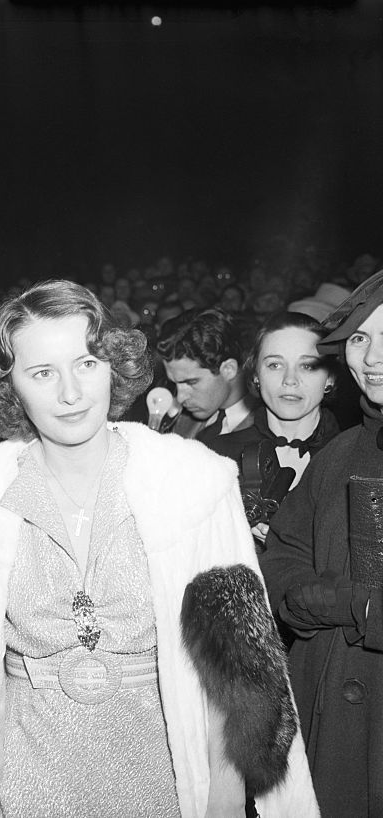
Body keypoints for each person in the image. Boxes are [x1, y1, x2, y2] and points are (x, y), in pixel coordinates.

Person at [0, 280, 317, 817]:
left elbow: (240, 677)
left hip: (163, 782)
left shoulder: (190, 484)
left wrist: (225, 800)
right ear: (13, 389)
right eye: (43, 373)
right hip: (24, 785)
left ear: (114, 366)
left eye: (86, 364)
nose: (70, 393)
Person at [261, 268, 383, 817]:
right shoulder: (341, 453)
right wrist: (326, 602)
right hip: (329, 722)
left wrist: (363, 609)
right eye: (359, 338)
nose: (373, 358)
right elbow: (283, 556)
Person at [207, 312, 340, 547]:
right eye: (275, 365)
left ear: (329, 378)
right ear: (256, 375)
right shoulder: (216, 457)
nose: (290, 379)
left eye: (307, 365)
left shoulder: (351, 458)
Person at [155, 306, 257, 441]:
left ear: (228, 369)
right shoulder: (177, 421)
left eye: (191, 382)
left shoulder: (268, 428)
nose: (180, 398)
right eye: (175, 383)